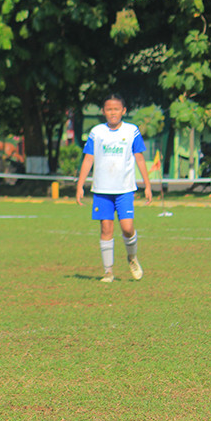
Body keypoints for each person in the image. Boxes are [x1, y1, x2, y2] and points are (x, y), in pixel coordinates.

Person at [75, 94, 152, 282]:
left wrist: (147, 185)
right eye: (109, 109)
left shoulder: (131, 131)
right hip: (102, 189)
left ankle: (132, 257)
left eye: (116, 109)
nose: (112, 113)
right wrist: (80, 185)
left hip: (125, 189)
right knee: (106, 229)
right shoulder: (97, 132)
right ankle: (108, 271)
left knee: (127, 228)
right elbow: (88, 158)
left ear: (123, 111)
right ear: (103, 112)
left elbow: (139, 158)